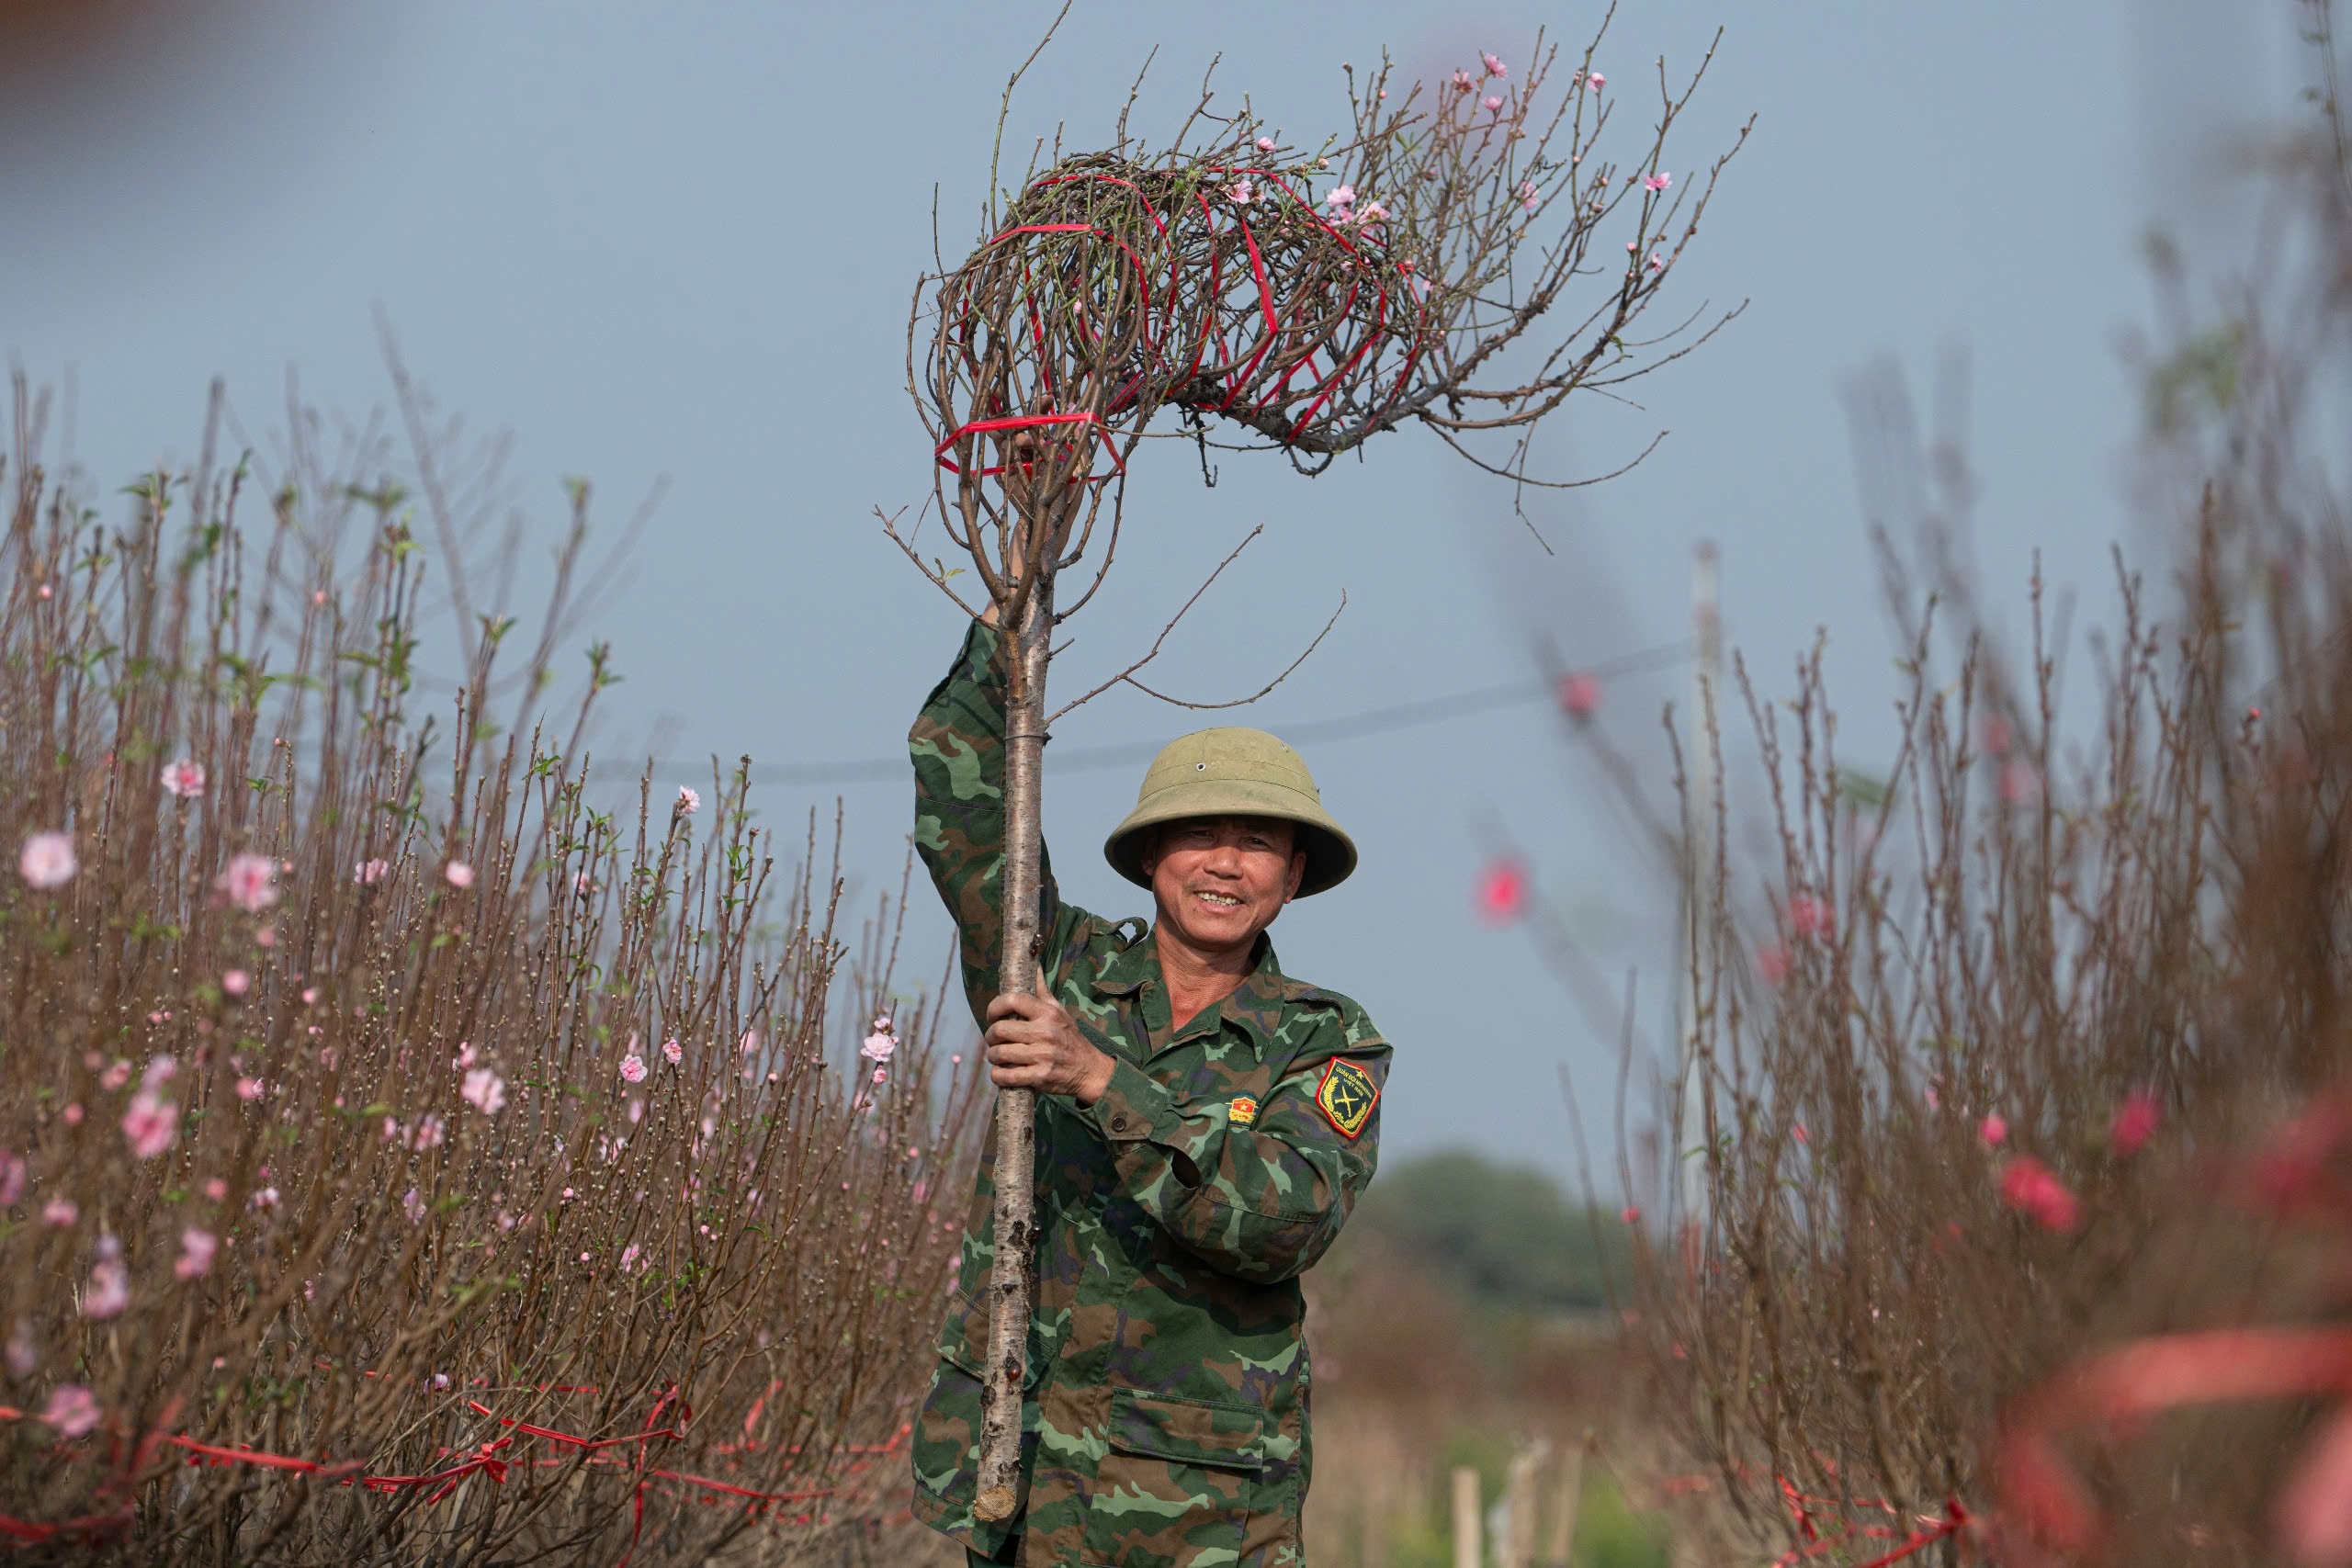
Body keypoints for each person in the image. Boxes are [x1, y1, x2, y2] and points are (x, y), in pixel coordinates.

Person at [907, 602, 1390, 1568]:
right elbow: (966, 810)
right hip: (1020, 1470)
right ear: (1149, 859)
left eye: (1256, 844)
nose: (1224, 862)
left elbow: (1278, 1223)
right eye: (1197, 835)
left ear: (1292, 876)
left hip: (1194, 1509)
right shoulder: (1055, 966)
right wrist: (1004, 628)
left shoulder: (1327, 1040)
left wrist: (1099, 1080)